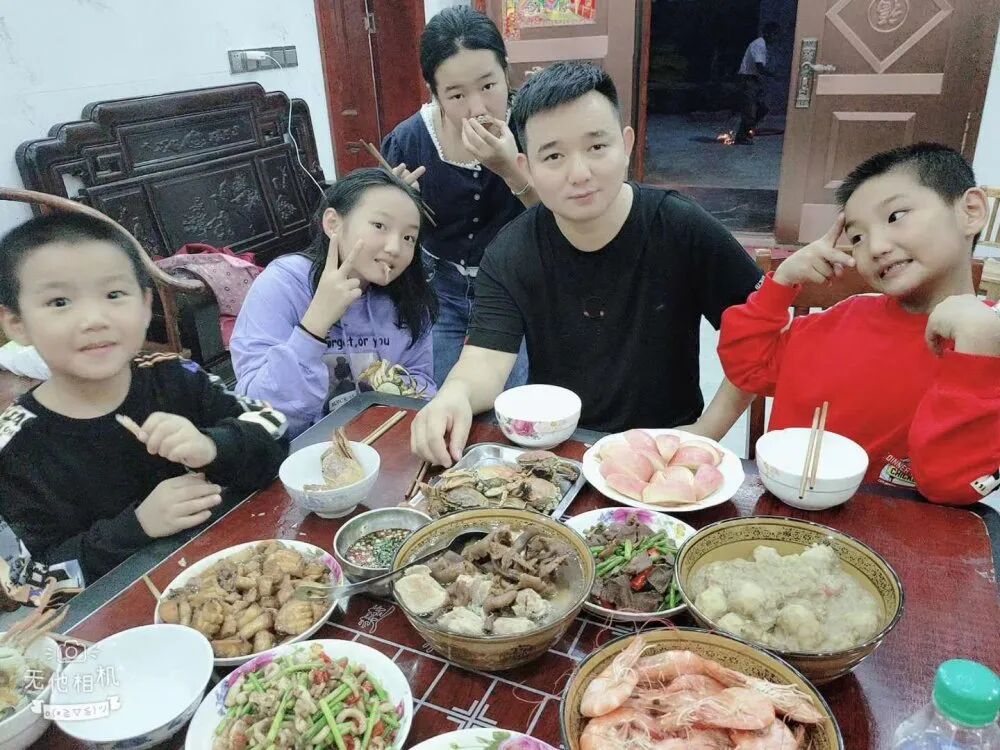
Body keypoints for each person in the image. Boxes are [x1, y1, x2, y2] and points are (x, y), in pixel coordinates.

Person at [411, 62, 763, 467]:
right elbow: (485, 361)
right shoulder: (511, 252)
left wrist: (705, 432)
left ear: (626, 145)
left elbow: (761, 331)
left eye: (596, 147)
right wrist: (453, 394)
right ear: (525, 168)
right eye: (553, 155)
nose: (579, 174)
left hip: (665, 451)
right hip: (561, 455)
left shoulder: (680, 227)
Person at [0, 213, 288, 583]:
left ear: (145, 304)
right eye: (59, 302)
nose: (94, 319)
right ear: (16, 324)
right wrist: (138, 526)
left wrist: (213, 446)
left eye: (114, 295)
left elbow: (276, 438)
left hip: (241, 569)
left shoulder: (174, 374)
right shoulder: (14, 445)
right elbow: (28, 583)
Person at [718, 143, 1000, 504]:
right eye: (857, 238)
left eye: (896, 216)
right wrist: (781, 284)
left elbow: (953, 488)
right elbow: (747, 367)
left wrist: (978, 350)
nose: (876, 247)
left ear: (970, 211)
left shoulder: (988, 344)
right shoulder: (841, 321)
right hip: (790, 513)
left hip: (901, 529)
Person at [381, 6, 533, 387]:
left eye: (488, 86)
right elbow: (384, 241)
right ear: (434, 94)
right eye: (456, 94)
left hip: (515, 289)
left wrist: (511, 170)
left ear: (506, 72)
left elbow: (560, 220)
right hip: (439, 290)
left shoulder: (532, 128)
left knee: (511, 402)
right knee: (437, 396)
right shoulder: (410, 141)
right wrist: (397, 210)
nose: (477, 108)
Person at [231, 168, 438, 437]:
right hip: (298, 452)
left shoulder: (409, 297)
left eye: (408, 237)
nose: (395, 248)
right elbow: (261, 414)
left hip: (382, 443)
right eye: (379, 226)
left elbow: (420, 384)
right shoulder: (283, 285)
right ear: (333, 224)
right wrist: (315, 325)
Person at [735, 21, 779, 145]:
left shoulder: (762, 45)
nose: (776, 38)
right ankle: (741, 137)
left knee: (762, 108)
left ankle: (746, 131)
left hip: (754, 80)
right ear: (768, 33)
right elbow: (759, 66)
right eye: (775, 34)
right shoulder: (759, 44)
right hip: (747, 80)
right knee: (749, 111)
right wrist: (773, 74)